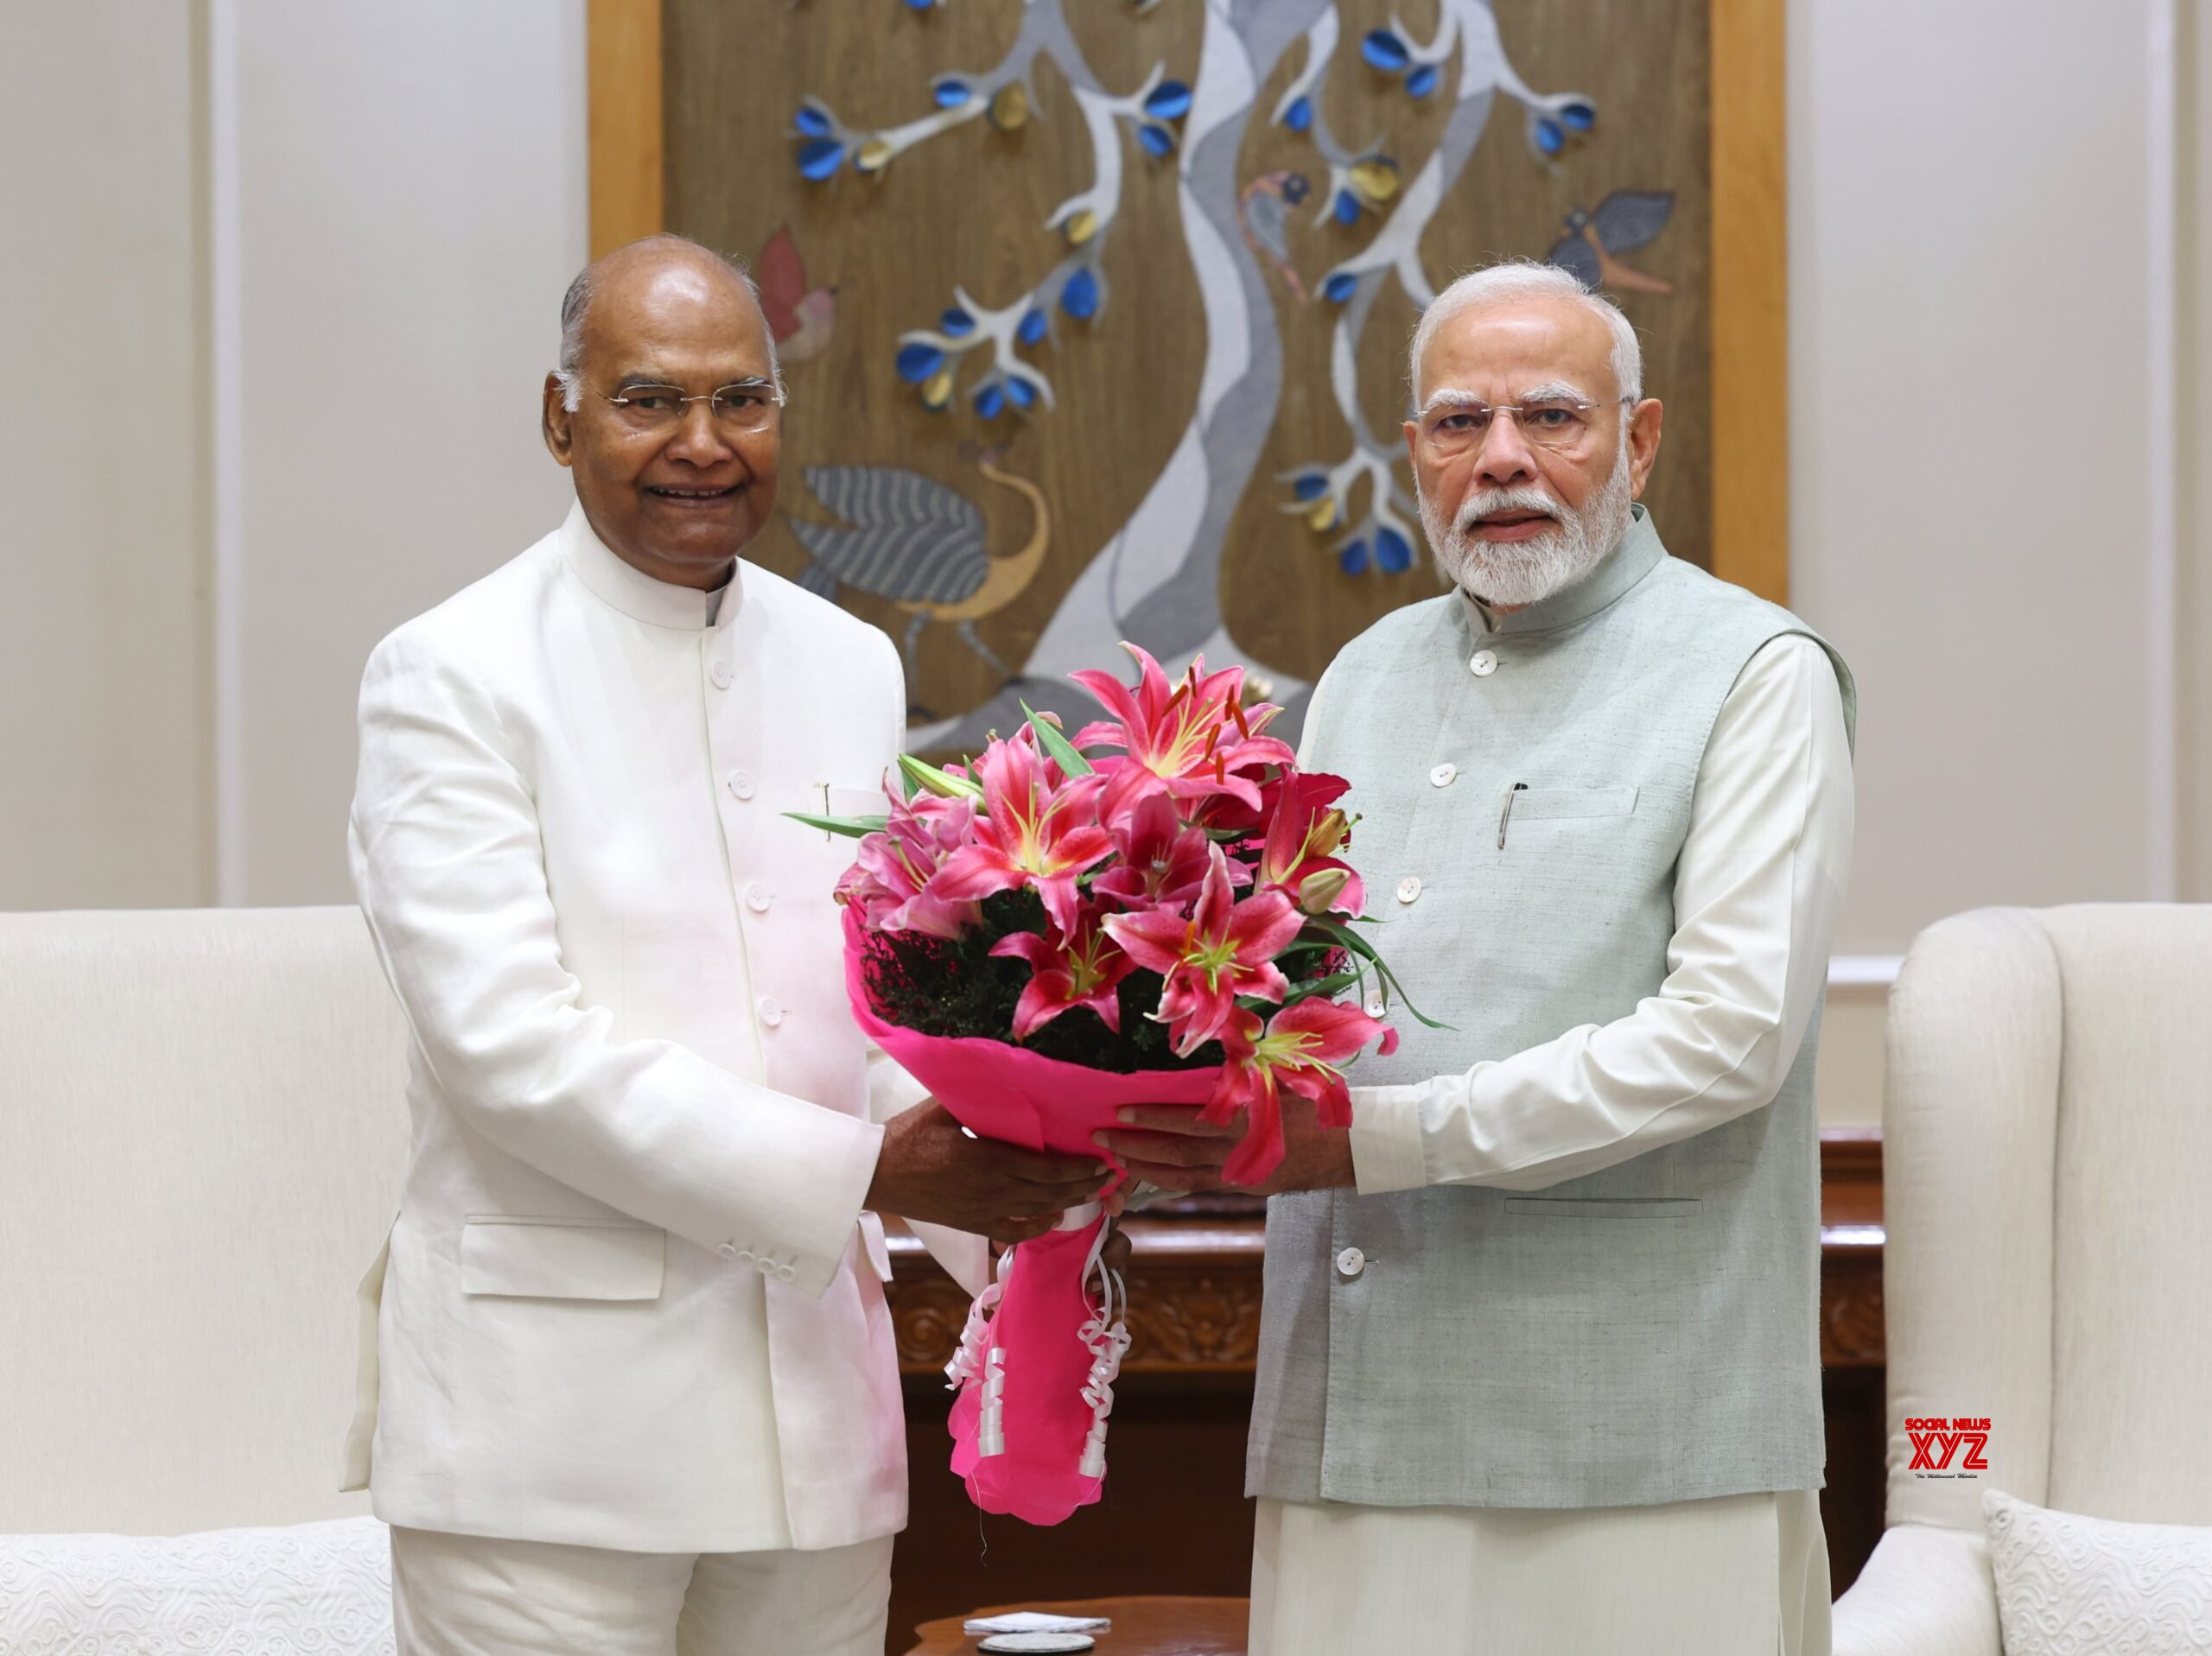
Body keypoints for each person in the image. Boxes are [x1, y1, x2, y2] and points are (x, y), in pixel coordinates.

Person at [342, 234, 1109, 1655]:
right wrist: (877, 1164)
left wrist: (1030, 1137)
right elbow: (508, 1047)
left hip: (814, 1427)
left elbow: (857, 1014)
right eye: (648, 400)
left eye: (740, 401)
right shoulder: (451, 670)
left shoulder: (849, 661)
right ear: (562, 414)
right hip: (548, 1450)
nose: (702, 445)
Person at [1101, 260, 1855, 1656]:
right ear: (1412, 458)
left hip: (1640, 1435)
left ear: (1638, 440)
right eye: (1458, 423)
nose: (1502, 458)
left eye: (1552, 416)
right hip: (1356, 1416)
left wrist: (1376, 1144)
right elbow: (1285, 1002)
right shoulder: (1361, 679)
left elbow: (1731, 1037)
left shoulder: (1757, 672)